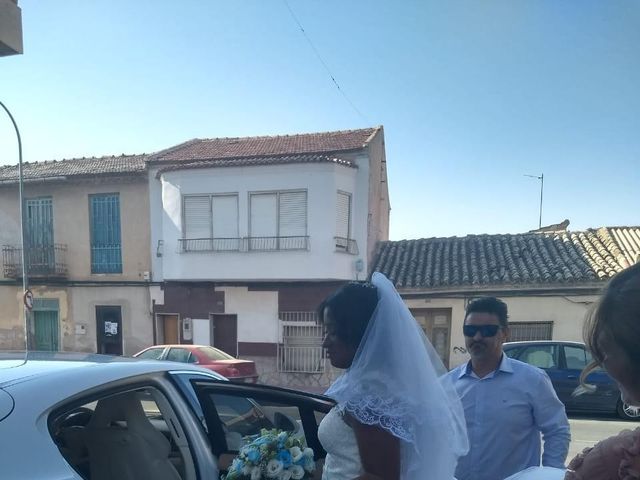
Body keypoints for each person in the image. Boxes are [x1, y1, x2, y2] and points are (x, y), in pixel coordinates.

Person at [317, 272, 468, 480]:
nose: (325, 342)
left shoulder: (371, 395)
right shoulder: (377, 383)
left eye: (333, 331)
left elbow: (380, 477)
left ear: (359, 332)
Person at [445, 297, 570, 480]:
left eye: (487, 330)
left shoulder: (532, 380)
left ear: (504, 334)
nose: (477, 337)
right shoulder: (447, 384)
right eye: (470, 330)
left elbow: (557, 430)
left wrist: (549, 474)